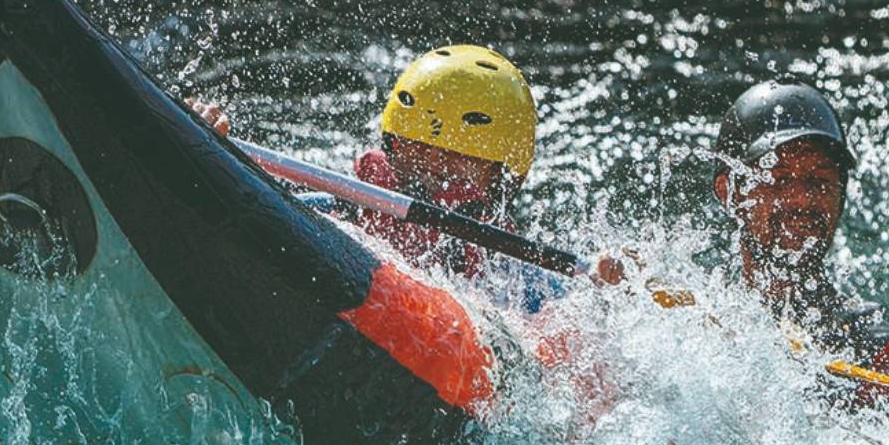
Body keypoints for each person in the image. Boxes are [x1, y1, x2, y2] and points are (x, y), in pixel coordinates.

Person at [195, 45, 615, 315]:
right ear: (392, 144)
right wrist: (211, 148)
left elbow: (573, 316)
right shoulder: (346, 207)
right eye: (416, 146)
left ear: (498, 176)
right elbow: (259, 207)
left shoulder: (509, 273)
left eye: (456, 154)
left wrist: (611, 281)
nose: (433, 162)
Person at [712, 81, 889, 445]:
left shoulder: (883, 355)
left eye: (819, 180)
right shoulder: (680, 325)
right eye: (778, 178)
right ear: (729, 194)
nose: (802, 198)